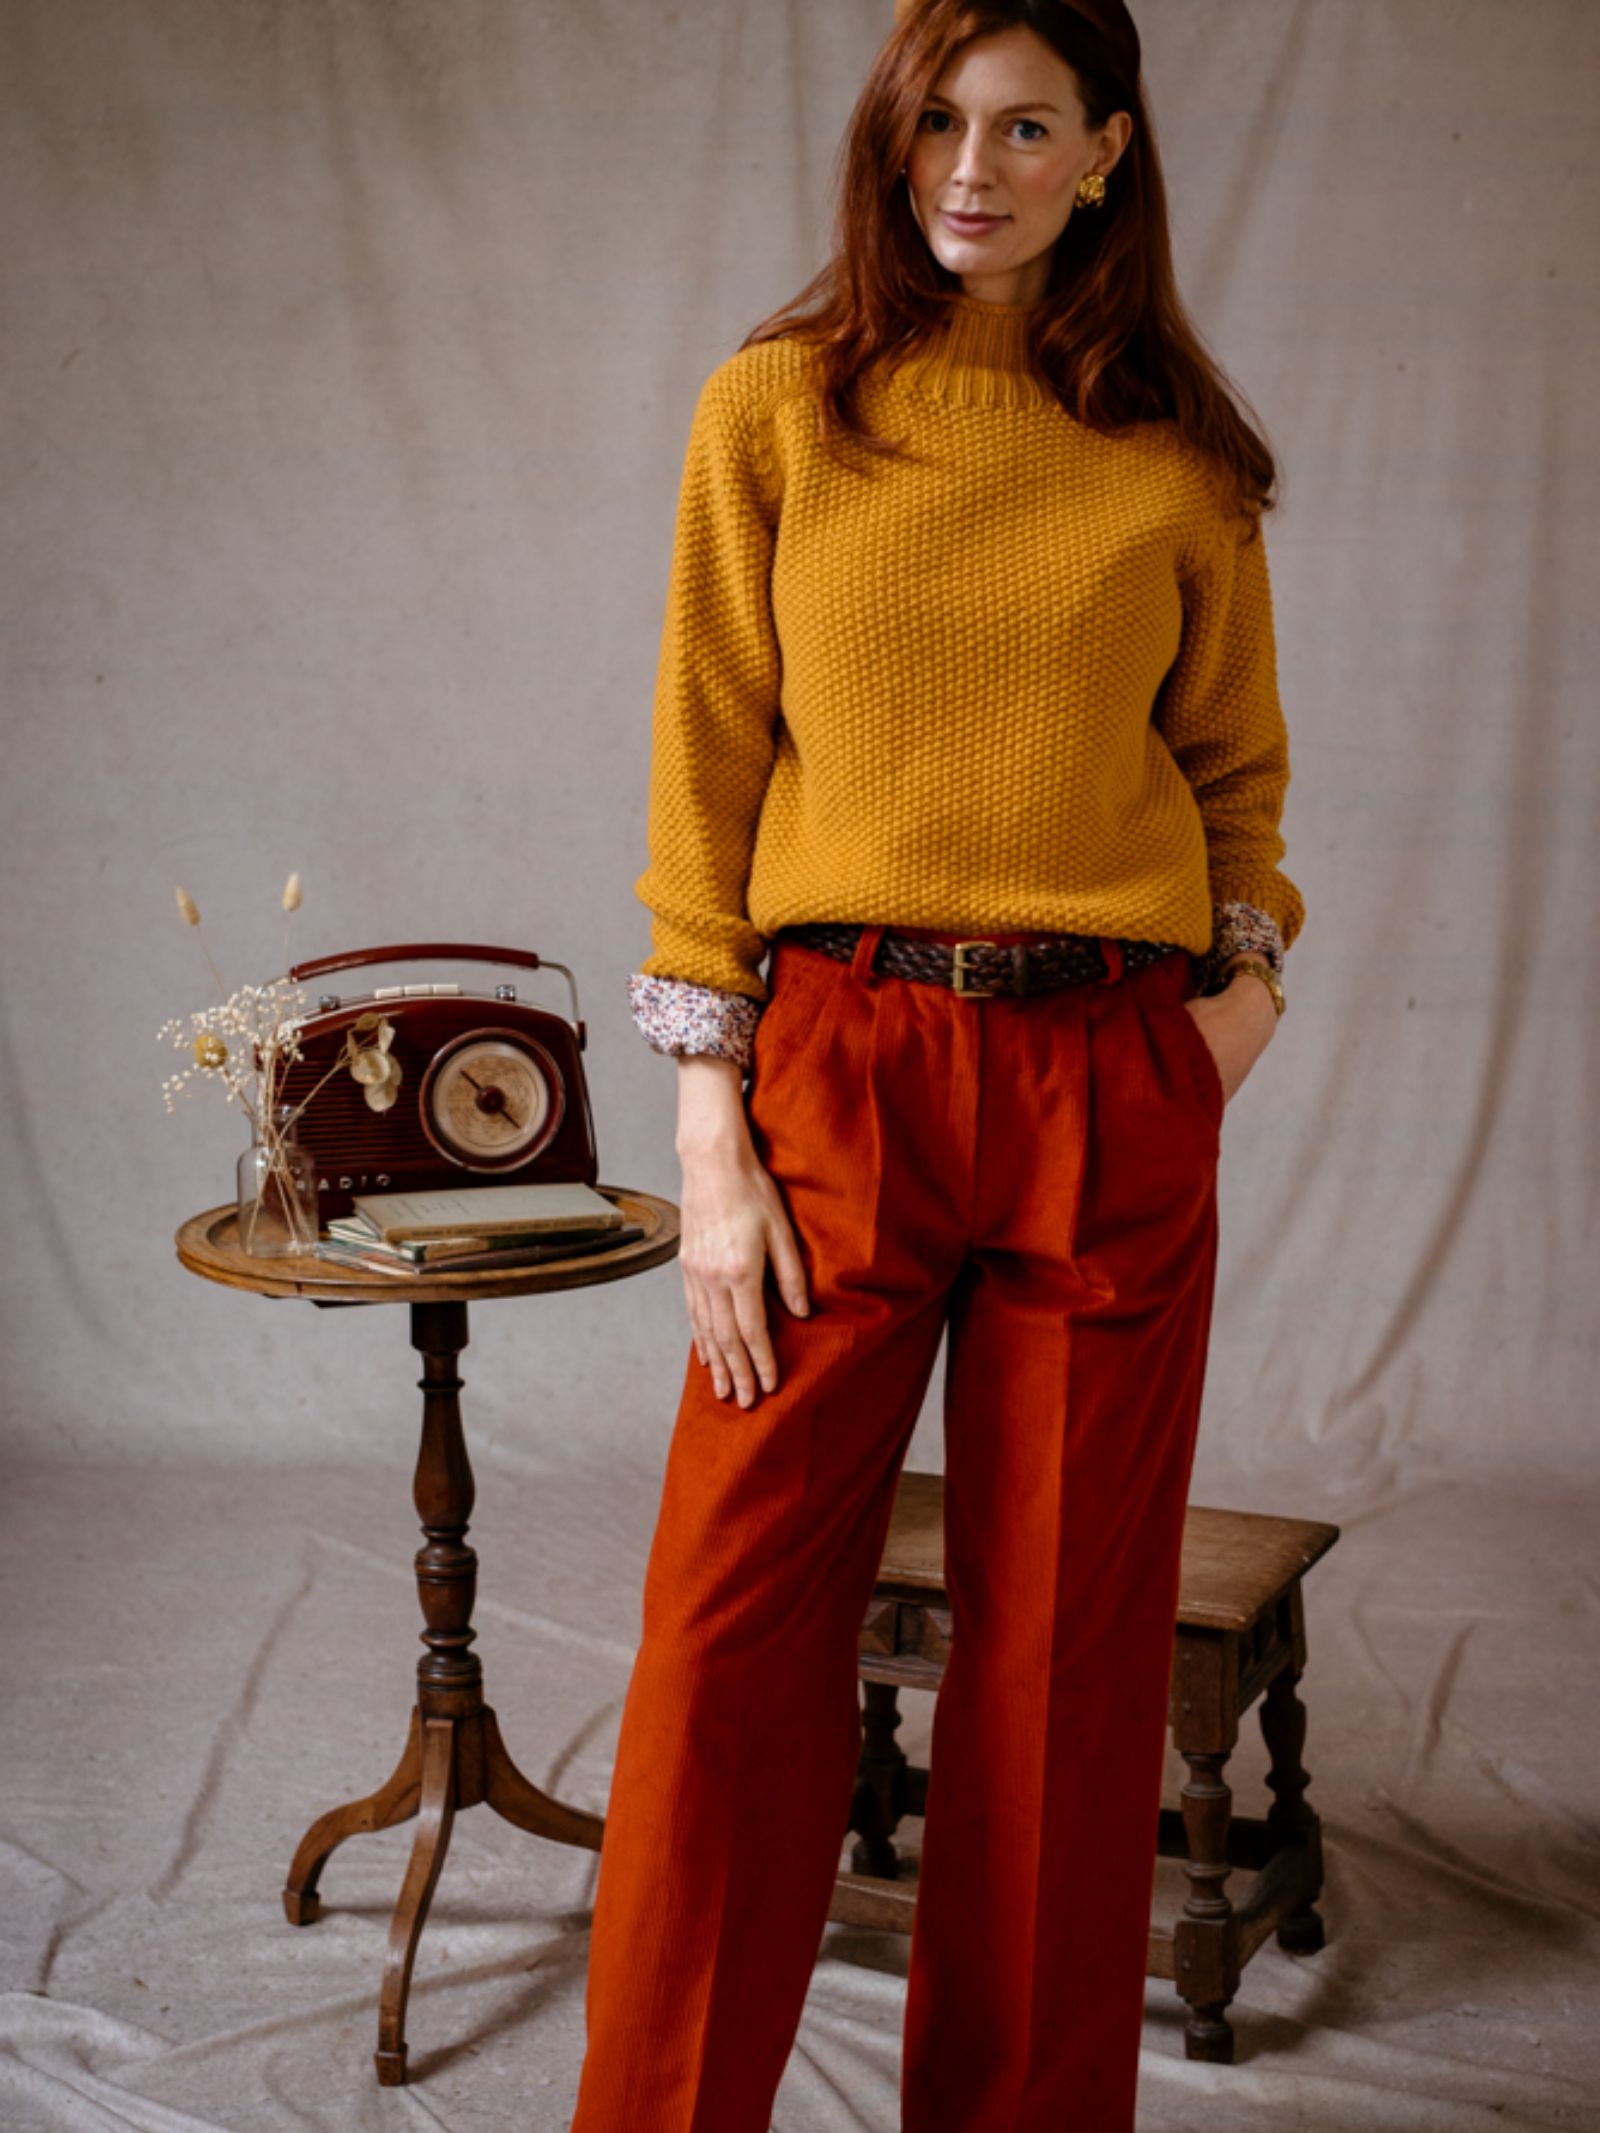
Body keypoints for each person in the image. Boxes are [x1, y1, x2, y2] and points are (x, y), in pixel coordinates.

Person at [572, 0, 1303, 2126]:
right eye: (930, 130)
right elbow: (702, 769)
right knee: (728, 1645)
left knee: (1063, 1681)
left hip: (1107, 1079)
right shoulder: (777, 408)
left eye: (1020, 127)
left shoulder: (1174, 455)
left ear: (1105, 150)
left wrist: (1223, 1023)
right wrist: (709, 1134)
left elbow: (1237, 785)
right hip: (835, 1072)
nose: (966, 170)